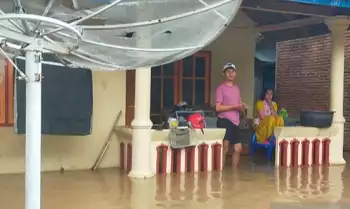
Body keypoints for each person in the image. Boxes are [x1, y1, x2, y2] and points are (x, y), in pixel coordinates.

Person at [215, 63, 245, 168]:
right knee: (225, 147)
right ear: (224, 74)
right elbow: (218, 108)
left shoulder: (237, 88)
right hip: (224, 120)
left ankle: (234, 175)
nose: (230, 74)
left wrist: (241, 107)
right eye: (228, 71)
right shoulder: (220, 88)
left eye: (232, 71)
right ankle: (220, 174)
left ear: (235, 73)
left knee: (238, 148)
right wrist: (234, 107)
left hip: (236, 121)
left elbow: (238, 104)